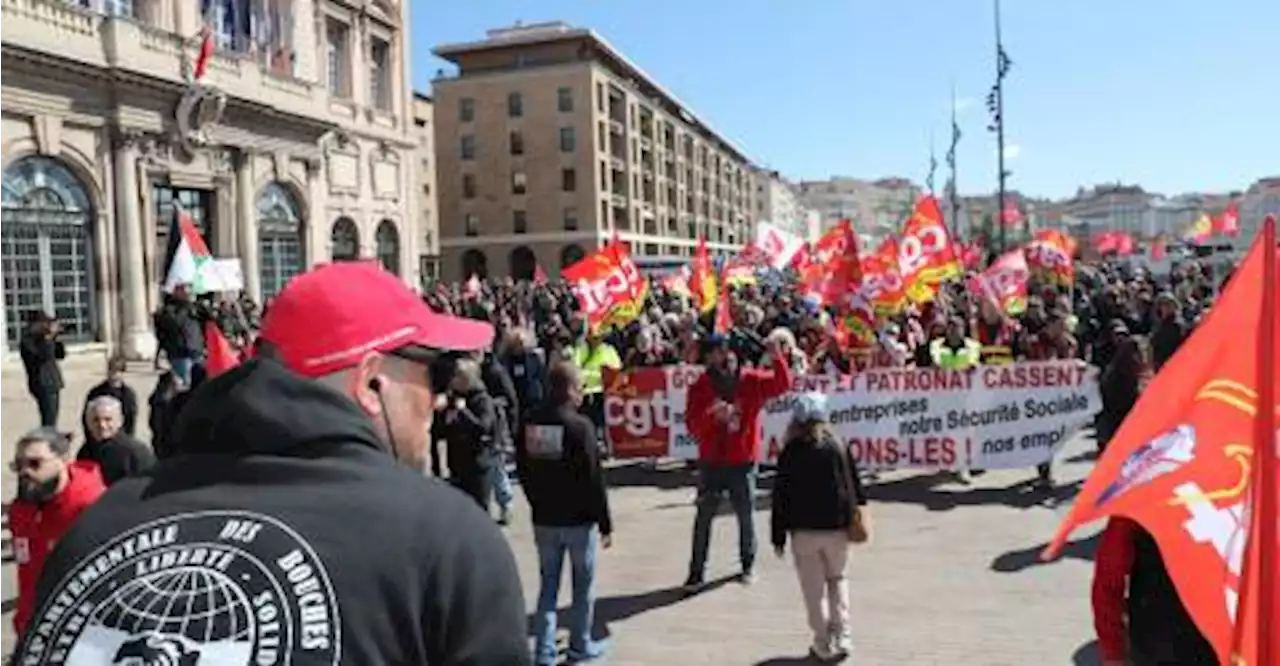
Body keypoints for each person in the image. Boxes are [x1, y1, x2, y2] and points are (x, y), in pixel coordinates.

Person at [13, 262, 530, 665]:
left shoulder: (101, 523)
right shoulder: (443, 538)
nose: (439, 400)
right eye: (435, 375)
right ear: (373, 384)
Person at [517, 362, 613, 665]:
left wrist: (535, 502)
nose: (583, 393)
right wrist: (605, 521)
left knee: (548, 586)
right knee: (582, 587)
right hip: (578, 521)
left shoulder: (530, 421)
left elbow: (522, 469)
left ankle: (544, 652)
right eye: (580, 386)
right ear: (570, 389)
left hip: (544, 518)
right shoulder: (580, 427)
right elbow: (593, 478)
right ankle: (579, 646)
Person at [682, 334, 791, 593]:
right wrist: (712, 416)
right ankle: (696, 573)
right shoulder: (700, 386)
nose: (724, 355)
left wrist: (777, 357)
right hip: (711, 461)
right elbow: (692, 425)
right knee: (704, 518)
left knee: (745, 515)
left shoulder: (750, 379)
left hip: (741, 460)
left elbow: (781, 384)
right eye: (718, 352)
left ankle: (748, 565)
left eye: (725, 351)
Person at [771, 393, 865, 662]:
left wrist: (777, 535)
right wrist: (857, 514)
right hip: (836, 528)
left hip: (803, 532)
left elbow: (780, 496)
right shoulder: (837, 445)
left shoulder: (790, 451)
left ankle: (822, 641)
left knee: (813, 591)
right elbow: (854, 485)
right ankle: (843, 634)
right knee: (837, 579)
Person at [8, 428, 105, 637]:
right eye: (18, 465)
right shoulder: (21, 509)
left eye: (35, 463)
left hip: (79, 632)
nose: (25, 472)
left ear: (64, 460)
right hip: (32, 627)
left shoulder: (90, 509)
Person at [1092, 516, 1215, 665]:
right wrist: (1113, 652)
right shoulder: (1134, 511)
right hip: (1163, 638)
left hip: (1168, 638)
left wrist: (1113, 652)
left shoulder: (1135, 504)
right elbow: (1108, 582)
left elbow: (1107, 581)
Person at [442, 357, 500, 510]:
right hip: (457, 464)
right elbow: (443, 430)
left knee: (480, 508)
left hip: (477, 464)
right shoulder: (453, 399)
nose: (453, 380)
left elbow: (483, 427)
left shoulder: (482, 400)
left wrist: (463, 412)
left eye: (457, 376)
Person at [78, 395, 157, 486]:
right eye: (96, 420)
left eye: (108, 419)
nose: (102, 425)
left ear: (119, 421)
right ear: (88, 423)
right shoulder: (85, 451)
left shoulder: (135, 452)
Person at [19, 312, 65, 427]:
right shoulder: (27, 341)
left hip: (53, 382)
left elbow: (60, 355)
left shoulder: (43, 339)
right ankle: (47, 439)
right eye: (43, 323)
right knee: (48, 420)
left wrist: (55, 337)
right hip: (42, 383)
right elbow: (43, 357)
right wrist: (48, 338)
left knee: (53, 418)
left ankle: (50, 437)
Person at [83, 355, 139, 436]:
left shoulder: (128, 394)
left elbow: (130, 420)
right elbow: (87, 417)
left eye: (117, 372)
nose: (113, 374)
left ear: (123, 373)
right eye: (111, 370)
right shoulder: (96, 392)